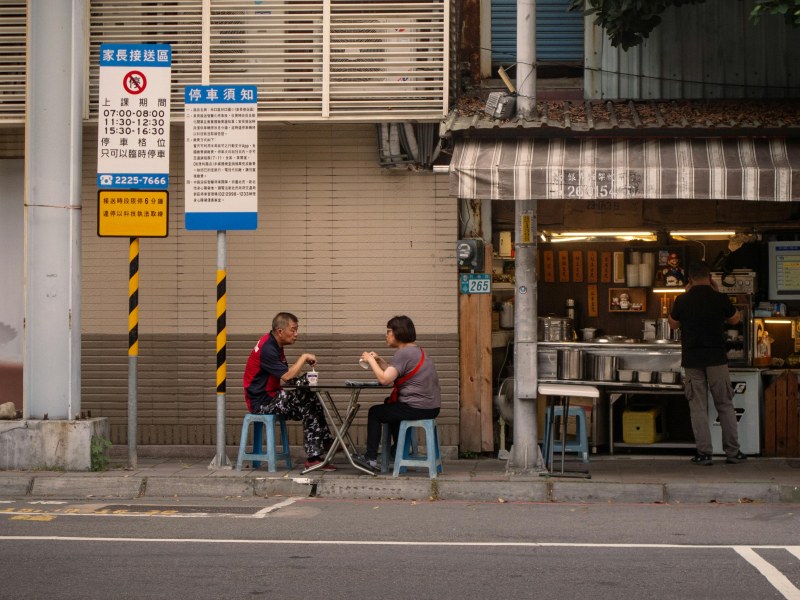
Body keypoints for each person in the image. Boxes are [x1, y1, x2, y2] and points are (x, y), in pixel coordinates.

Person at [668, 261, 746, 466]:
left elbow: (673, 324)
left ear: (689, 279)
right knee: (725, 405)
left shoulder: (682, 300)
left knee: (698, 407)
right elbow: (735, 320)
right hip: (717, 359)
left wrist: (686, 293)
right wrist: (718, 292)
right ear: (710, 278)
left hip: (692, 360)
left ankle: (704, 454)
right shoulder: (719, 298)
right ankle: (733, 452)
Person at [242, 312, 335, 471]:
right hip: (262, 402)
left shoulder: (274, 345)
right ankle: (316, 454)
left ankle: (324, 443)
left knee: (310, 396)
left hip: (272, 396)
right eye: (293, 330)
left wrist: (304, 380)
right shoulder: (268, 349)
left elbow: (286, 376)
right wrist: (303, 357)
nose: (296, 334)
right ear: (280, 331)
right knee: (308, 402)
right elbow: (287, 376)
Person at [359, 315, 441, 471]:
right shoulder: (416, 351)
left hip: (417, 407)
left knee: (375, 412)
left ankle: (370, 459)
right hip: (431, 407)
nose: (386, 335)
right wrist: (380, 361)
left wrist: (370, 361)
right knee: (389, 404)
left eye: (388, 331)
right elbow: (395, 374)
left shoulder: (403, 353)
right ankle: (398, 449)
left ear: (398, 332)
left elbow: (385, 380)